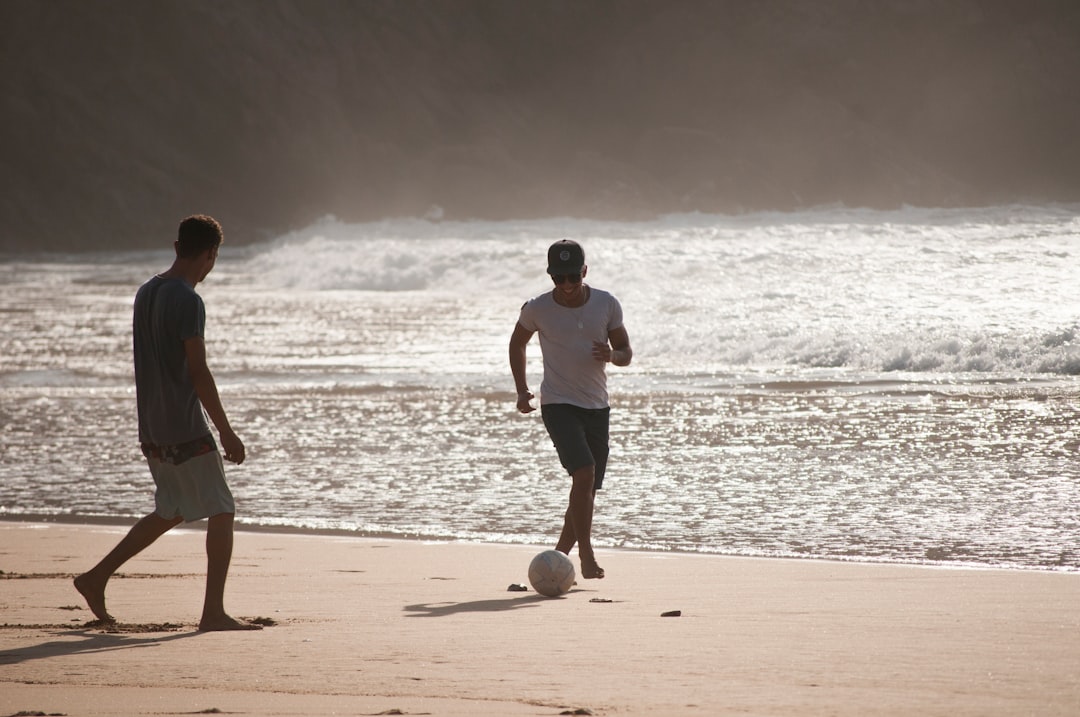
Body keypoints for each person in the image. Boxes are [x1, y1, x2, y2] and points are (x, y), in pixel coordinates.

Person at [74, 215, 259, 631]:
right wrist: (226, 430)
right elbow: (198, 371)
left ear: (178, 247)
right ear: (210, 254)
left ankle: (95, 577)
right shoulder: (189, 301)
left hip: (152, 427)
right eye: (213, 258)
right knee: (222, 507)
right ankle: (213, 612)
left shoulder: (147, 292)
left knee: (171, 508)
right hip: (184, 426)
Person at [509, 239, 633, 579]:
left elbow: (626, 352)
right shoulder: (538, 308)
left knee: (586, 489)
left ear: (584, 272)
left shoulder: (606, 304)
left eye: (572, 278)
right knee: (584, 473)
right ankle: (587, 557)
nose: (565, 286)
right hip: (558, 403)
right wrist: (522, 390)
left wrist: (613, 356)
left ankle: (556, 561)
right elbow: (517, 342)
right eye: (557, 278)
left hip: (597, 405)